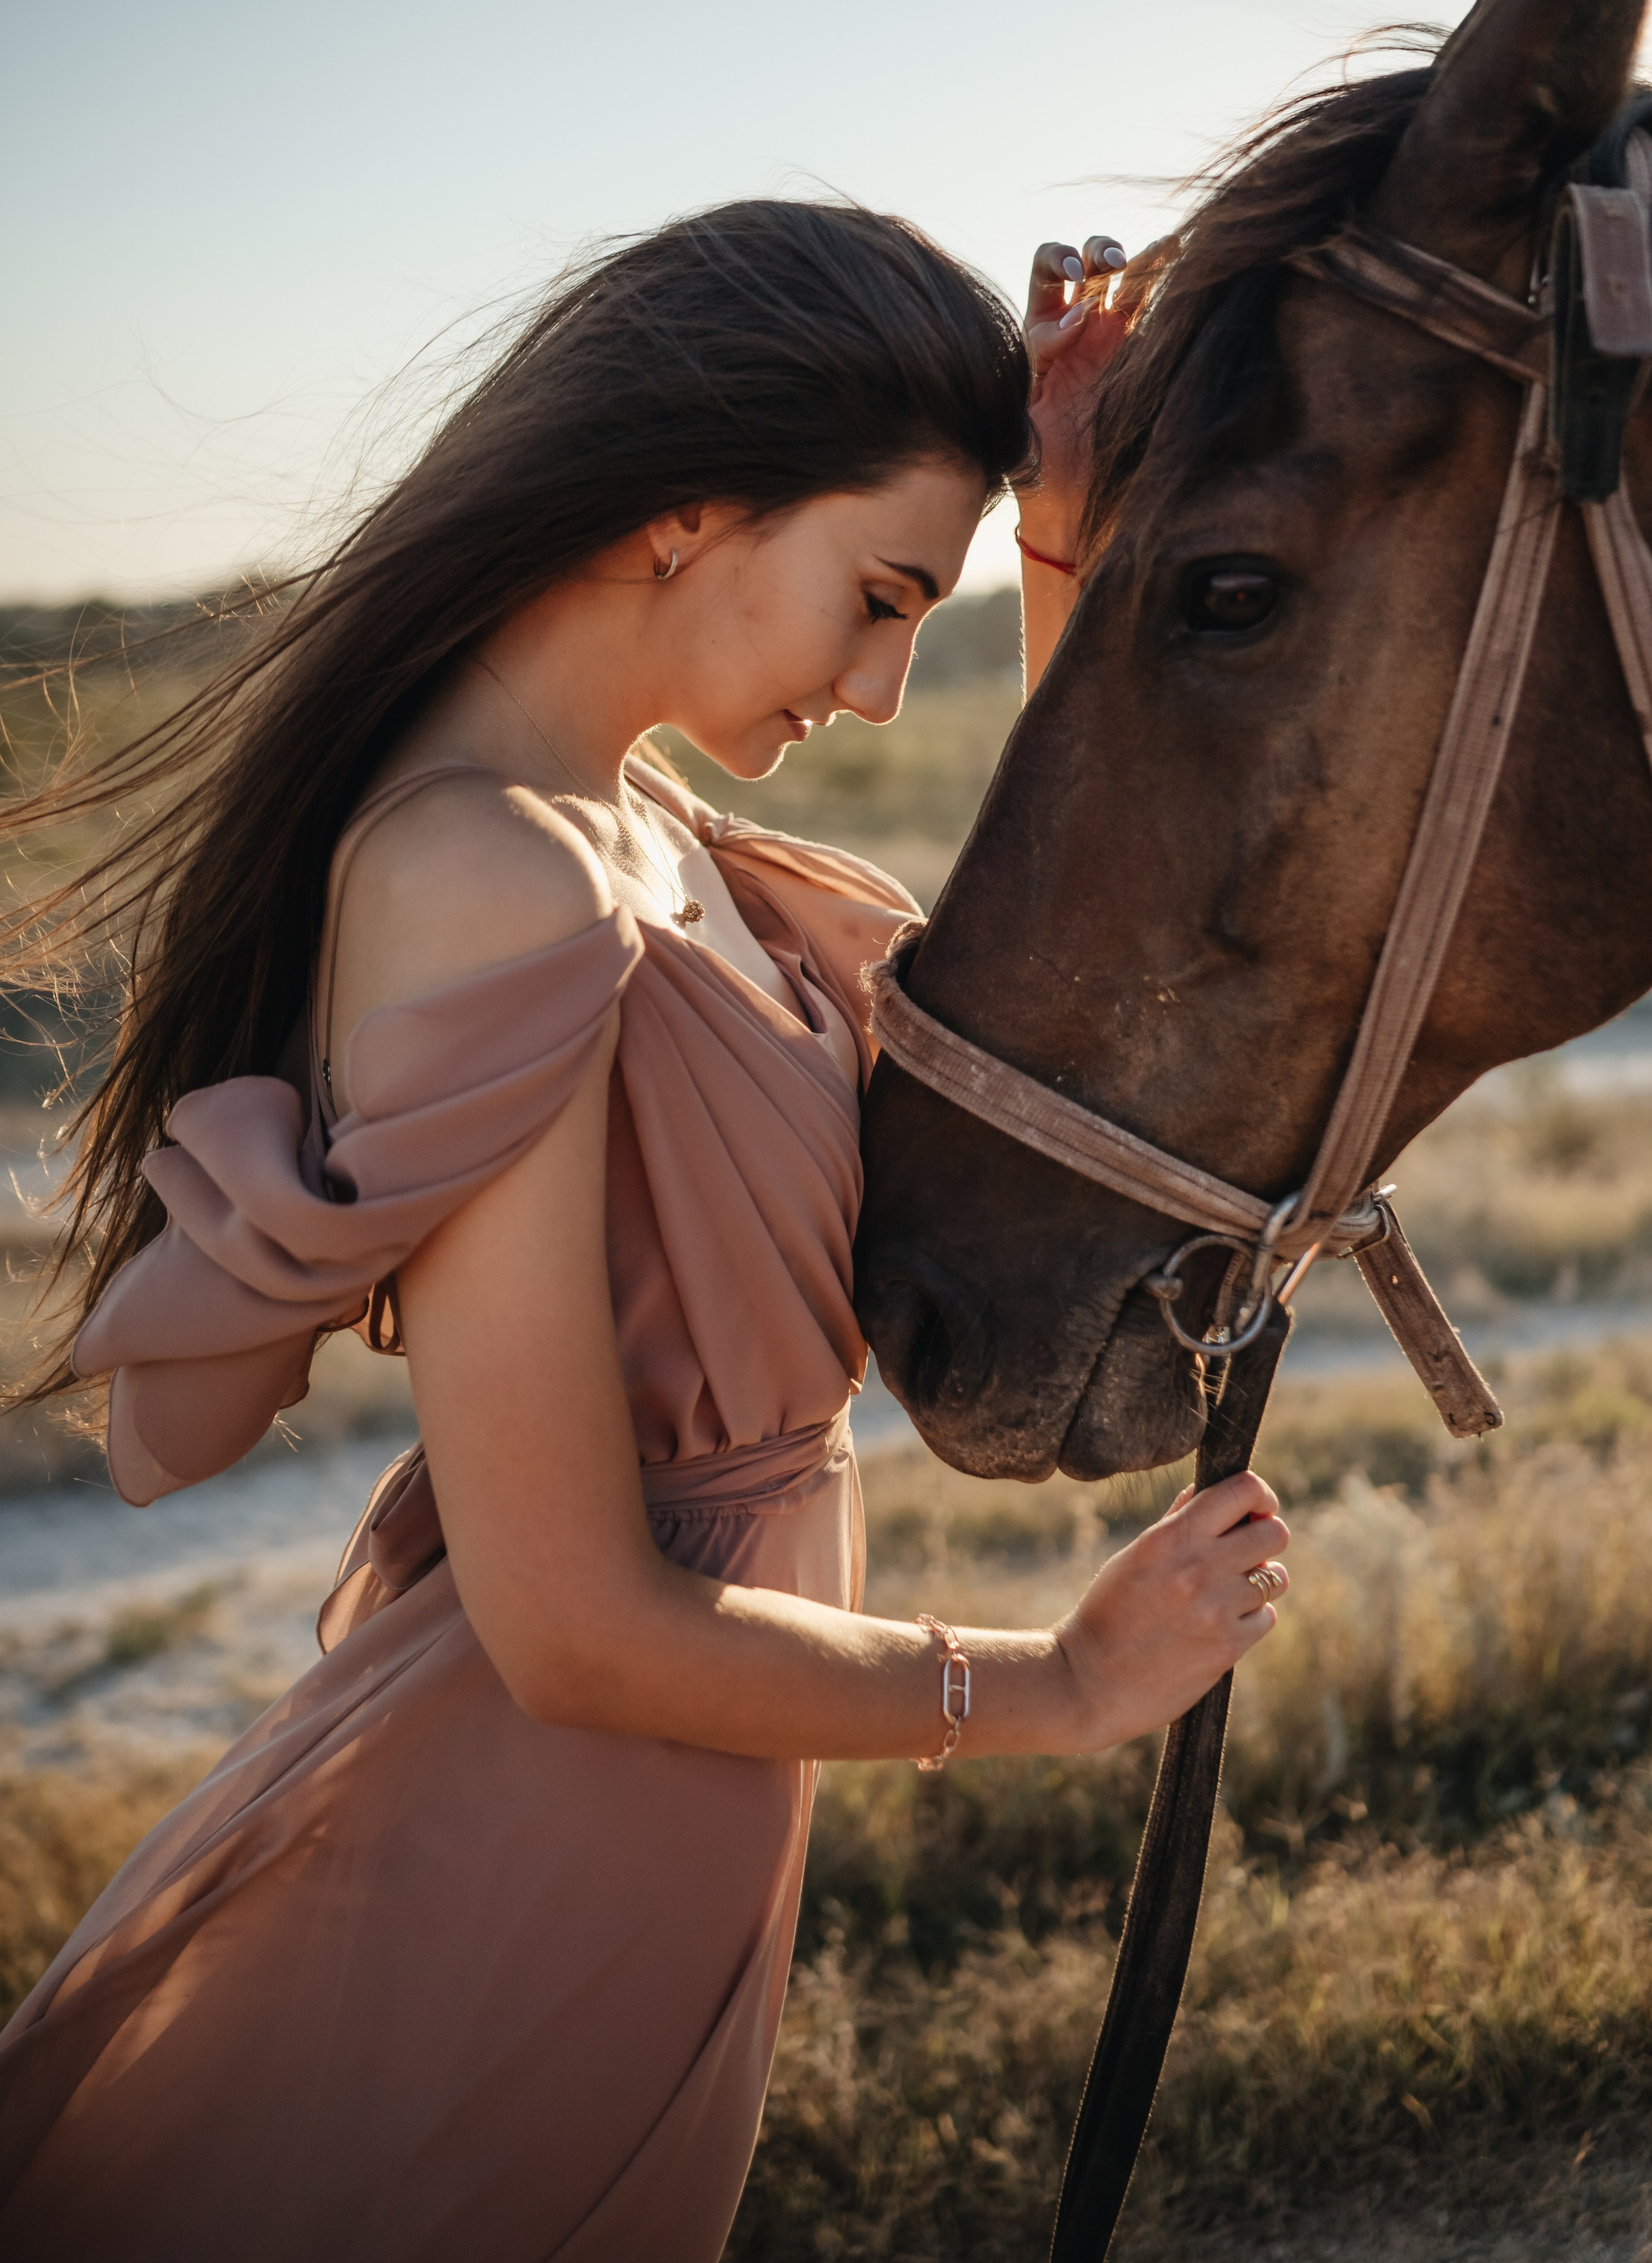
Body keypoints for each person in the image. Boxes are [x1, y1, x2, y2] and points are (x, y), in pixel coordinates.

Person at [0, 201, 1289, 2261]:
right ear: (687, 516)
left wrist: (1061, 554)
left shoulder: (641, 829)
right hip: (533, 1840)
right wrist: (1047, 1686)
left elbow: (996, 1043)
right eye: (878, 599)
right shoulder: (486, 877)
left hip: (667, 1808)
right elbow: (574, 1626)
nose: (884, 690)